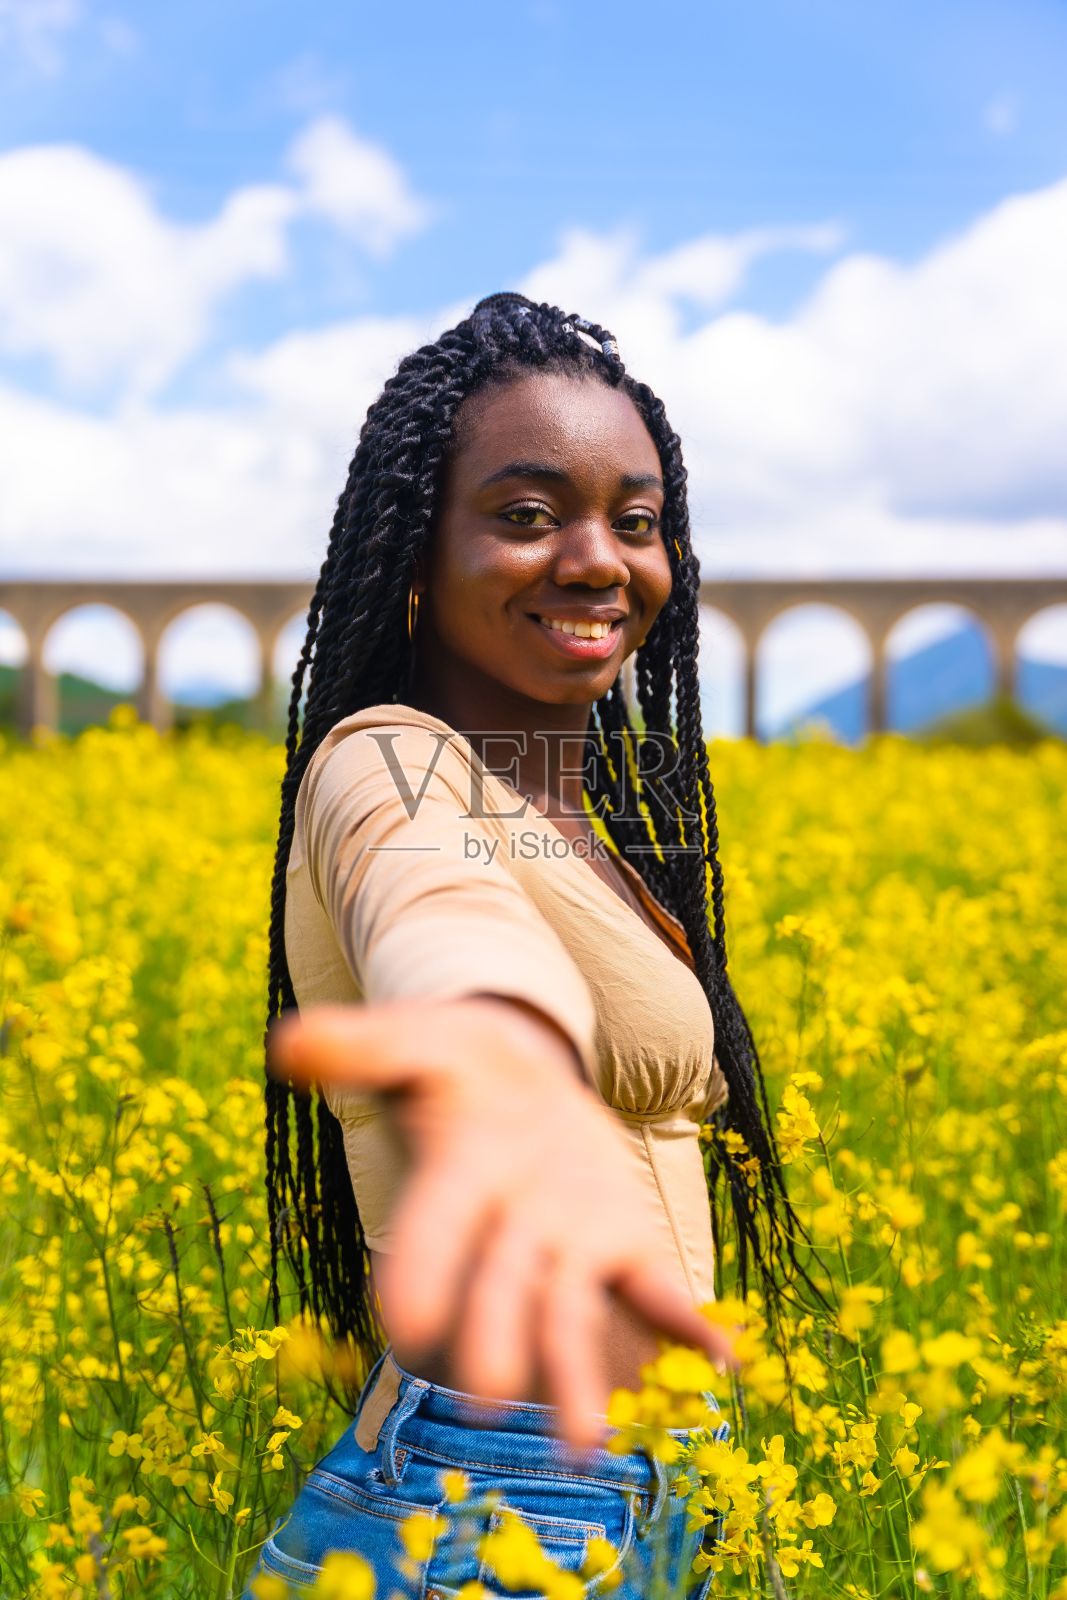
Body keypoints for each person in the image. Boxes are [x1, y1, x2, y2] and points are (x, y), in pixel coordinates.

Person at [242, 293, 813, 1600]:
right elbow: (442, 922)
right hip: (495, 1519)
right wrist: (502, 1059)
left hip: (663, 1495)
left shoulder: (584, 816)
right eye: (525, 514)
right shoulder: (385, 763)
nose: (600, 559)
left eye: (637, 518)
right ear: (412, 559)